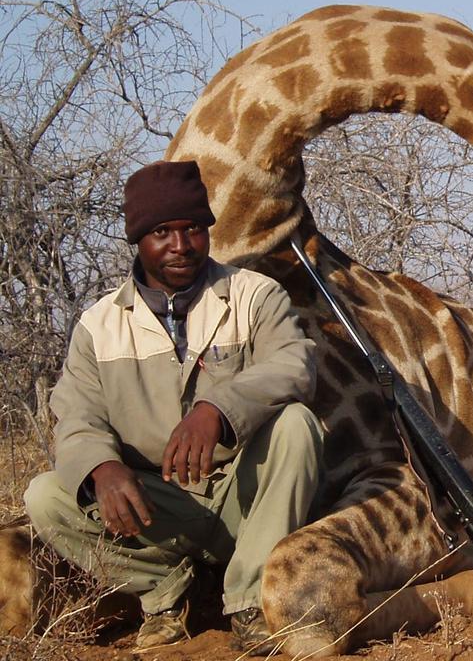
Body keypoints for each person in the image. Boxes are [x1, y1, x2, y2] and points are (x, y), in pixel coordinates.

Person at [23, 160, 323, 653]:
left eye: (193, 230)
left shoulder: (254, 295)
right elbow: (77, 415)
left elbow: (294, 364)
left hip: (244, 497)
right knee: (45, 496)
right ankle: (166, 592)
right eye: (162, 232)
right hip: (157, 505)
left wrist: (218, 410)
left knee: (296, 424)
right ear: (137, 240)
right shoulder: (98, 325)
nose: (181, 246)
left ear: (207, 231)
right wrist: (100, 468)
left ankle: (250, 597)